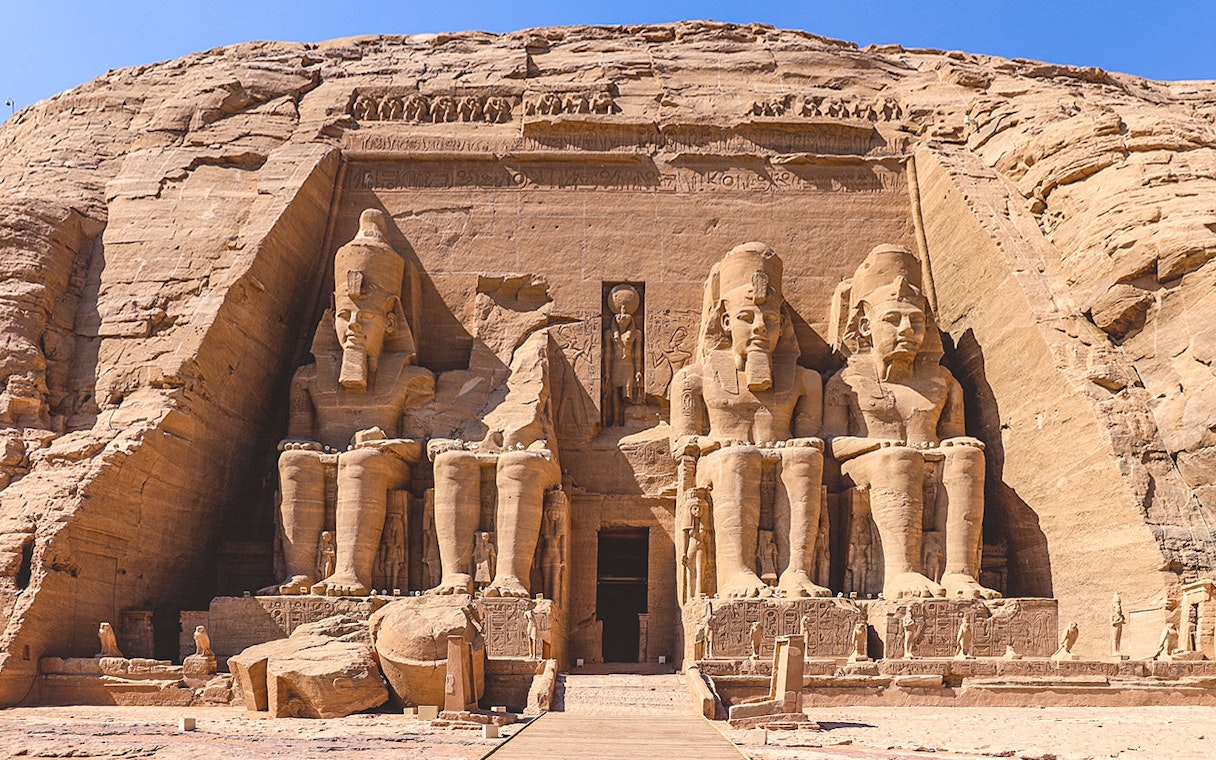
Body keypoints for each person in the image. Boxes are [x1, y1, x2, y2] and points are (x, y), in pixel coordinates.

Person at [266, 209, 434, 596]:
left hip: (384, 463)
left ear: (391, 322)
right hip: (331, 457)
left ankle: (350, 574)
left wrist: (383, 442)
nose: (353, 326)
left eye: (366, 316)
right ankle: (299, 575)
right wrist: (301, 445)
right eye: (345, 315)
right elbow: (298, 437)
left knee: (361, 462)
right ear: (331, 316)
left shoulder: (412, 378)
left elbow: (417, 446)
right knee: (293, 462)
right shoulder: (308, 378)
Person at [824, 245, 997, 601]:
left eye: (916, 321)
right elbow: (831, 442)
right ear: (864, 327)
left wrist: (956, 443)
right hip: (866, 466)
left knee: (968, 458)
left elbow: (952, 434)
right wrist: (878, 445)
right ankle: (902, 574)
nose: (907, 330)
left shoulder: (942, 380)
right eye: (893, 320)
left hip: (922, 459)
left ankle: (959, 574)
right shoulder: (848, 380)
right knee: (899, 460)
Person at [670, 243, 828, 599]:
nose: (760, 326)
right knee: (738, 459)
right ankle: (735, 573)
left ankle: (797, 573)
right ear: (725, 322)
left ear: (781, 325)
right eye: (747, 317)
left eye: (770, 319)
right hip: (721, 465)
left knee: (804, 460)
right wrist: (720, 442)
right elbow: (681, 443)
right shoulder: (695, 379)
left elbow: (812, 439)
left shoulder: (806, 380)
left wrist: (797, 445)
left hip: (778, 460)